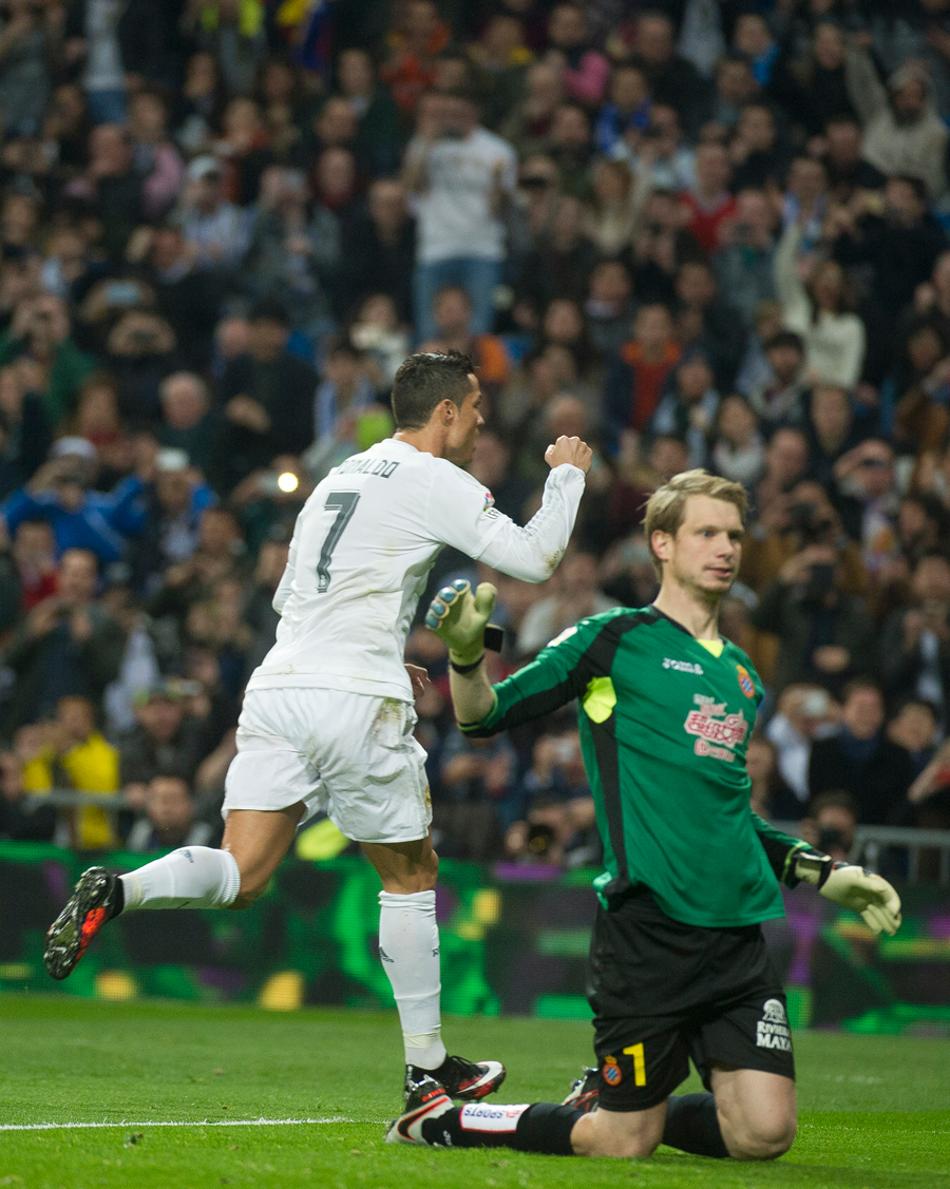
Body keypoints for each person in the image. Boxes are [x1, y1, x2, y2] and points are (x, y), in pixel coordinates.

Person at [43, 351, 592, 1105]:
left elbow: (295, 597)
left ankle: (119, 887)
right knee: (411, 875)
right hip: (354, 699)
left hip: (280, 687)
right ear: (445, 413)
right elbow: (534, 558)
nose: (480, 423)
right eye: (474, 409)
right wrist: (566, 475)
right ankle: (428, 1066)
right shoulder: (435, 478)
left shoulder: (337, 477)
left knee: (242, 873)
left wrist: (380, 652)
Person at [389, 469, 901, 1160]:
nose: (725, 548)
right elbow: (485, 716)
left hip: (736, 941)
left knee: (765, 1133)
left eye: (734, 535)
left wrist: (824, 871)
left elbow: (727, 815)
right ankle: (444, 1121)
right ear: (662, 543)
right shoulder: (612, 640)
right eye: (706, 533)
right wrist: (465, 656)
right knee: (622, 1142)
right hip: (647, 936)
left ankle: (619, 1103)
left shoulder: (743, 677)